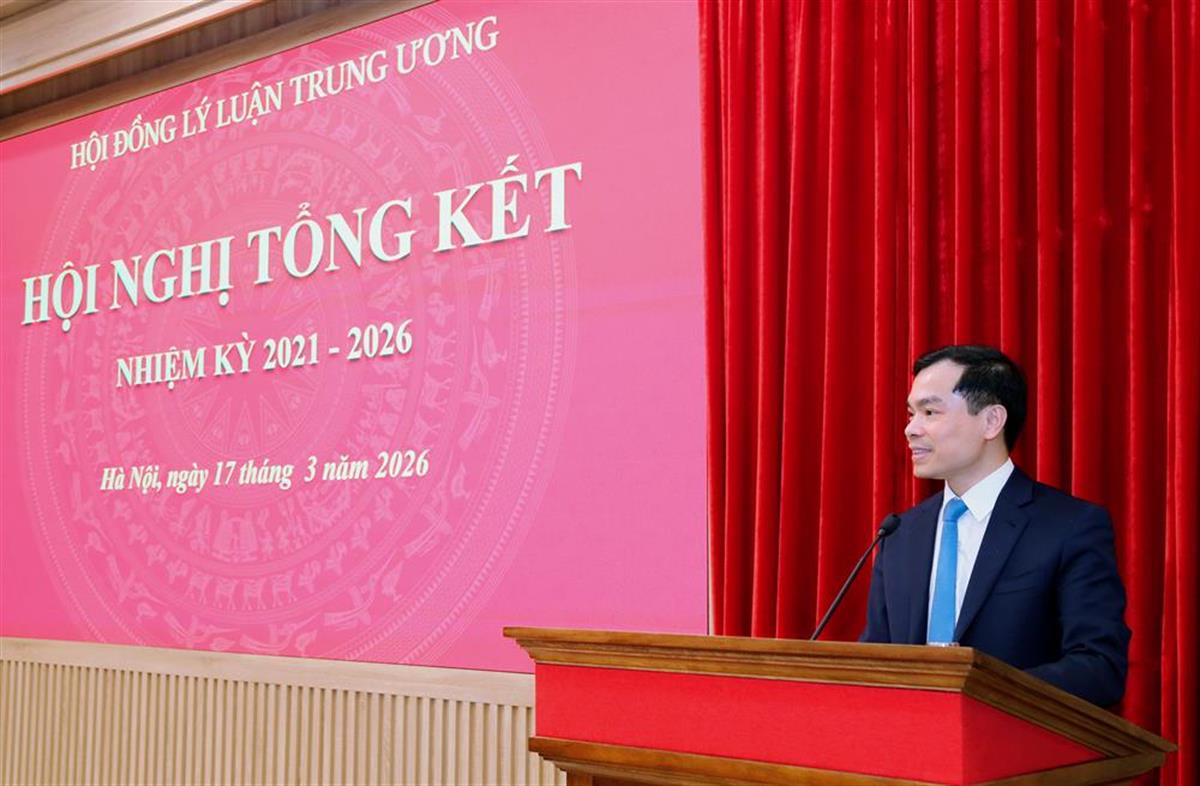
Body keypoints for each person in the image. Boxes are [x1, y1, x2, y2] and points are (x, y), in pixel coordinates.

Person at [861, 345, 1130, 707]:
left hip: (1019, 737)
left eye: (930, 412)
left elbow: (1099, 668)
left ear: (991, 421)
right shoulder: (900, 534)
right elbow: (875, 661)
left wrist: (980, 694)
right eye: (911, 414)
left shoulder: (1069, 527)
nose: (911, 429)